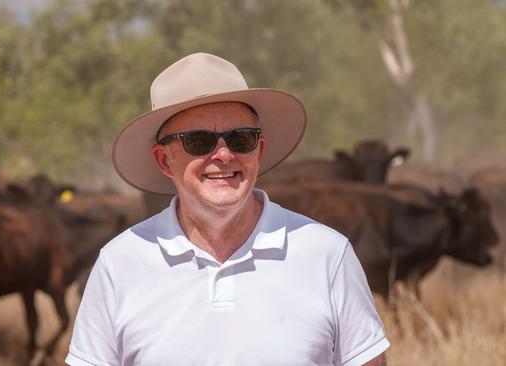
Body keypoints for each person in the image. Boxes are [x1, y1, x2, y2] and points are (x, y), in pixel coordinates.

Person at [65, 53, 389, 365]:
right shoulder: (118, 264)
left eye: (241, 138)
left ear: (258, 151)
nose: (223, 154)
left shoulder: (328, 254)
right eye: (199, 141)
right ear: (165, 160)